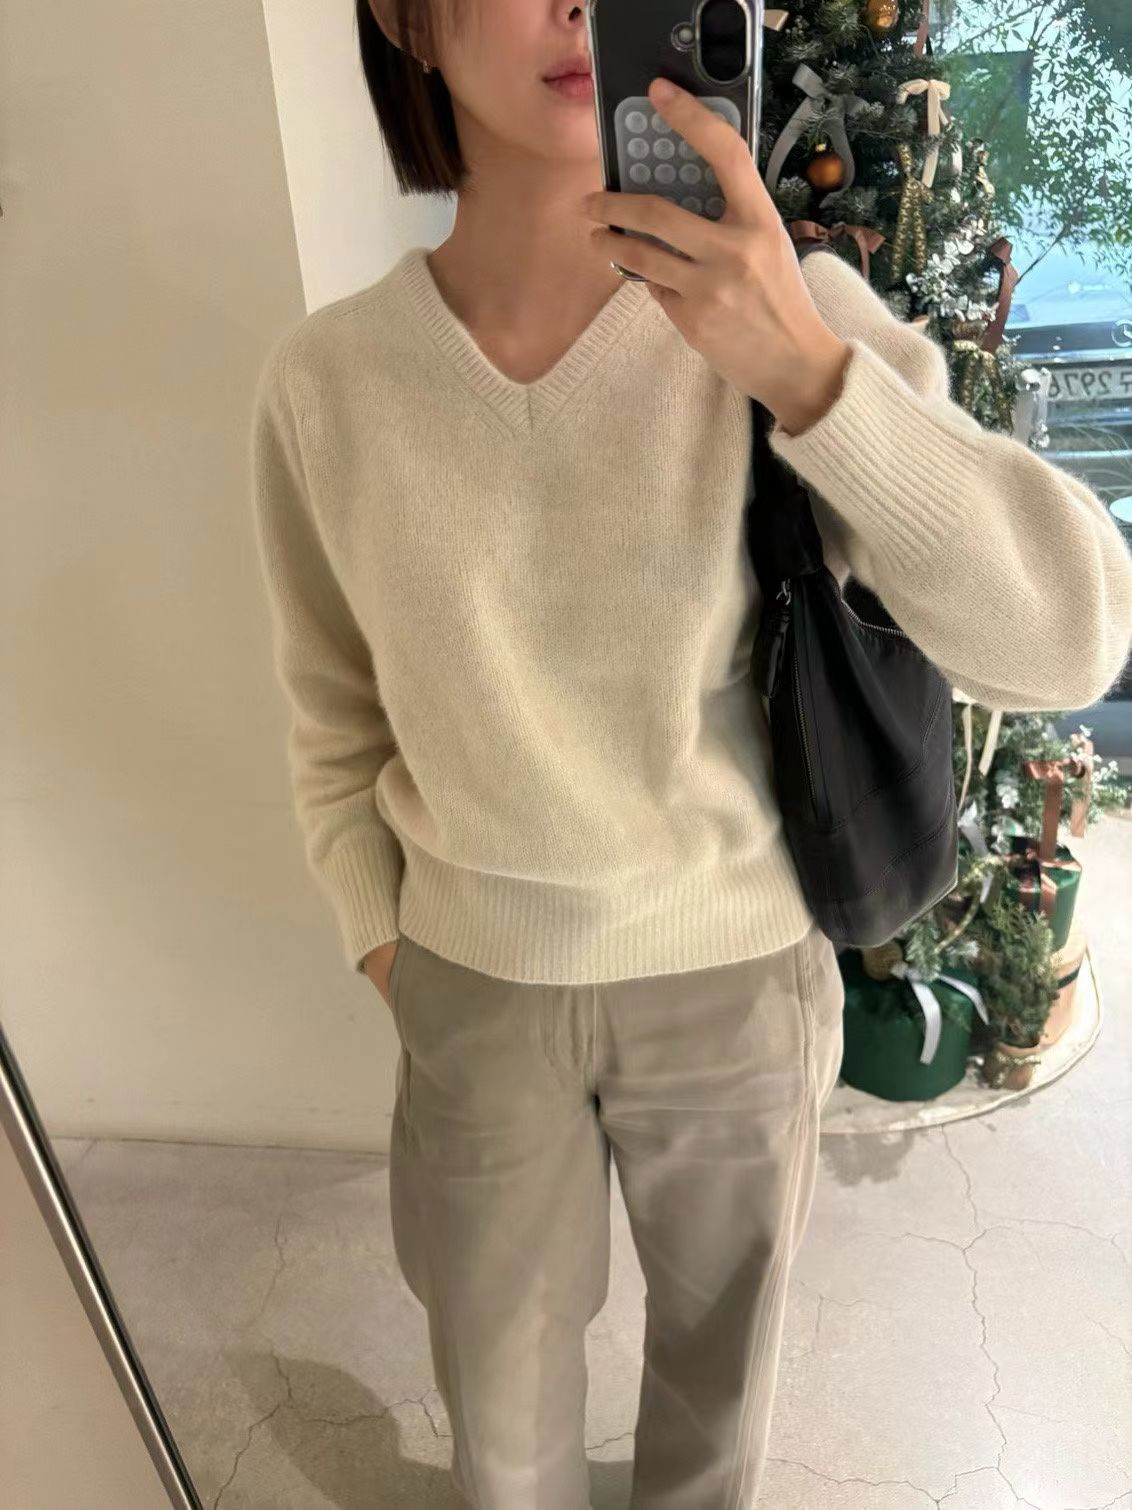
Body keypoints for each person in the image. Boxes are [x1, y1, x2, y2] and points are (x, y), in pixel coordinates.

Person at [247, 2, 1132, 1505]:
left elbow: (1071, 639)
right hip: (472, 983)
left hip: (735, 982)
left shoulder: (788, 315)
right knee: (498, 1432)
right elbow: (336, 716)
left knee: (712, 1425)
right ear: (401, 16)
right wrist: (389, 944)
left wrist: (809, 374)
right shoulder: (330, 383)